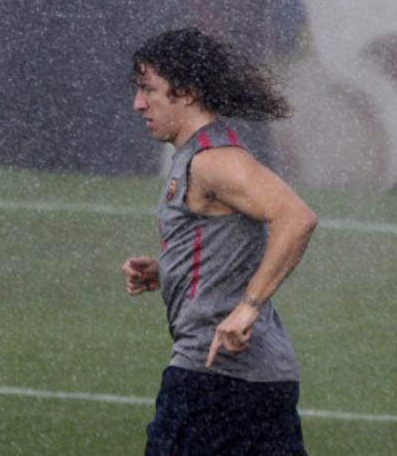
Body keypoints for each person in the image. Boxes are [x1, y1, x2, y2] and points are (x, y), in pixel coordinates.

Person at [122, 28, 318, 455]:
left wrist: (247, 307)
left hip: (214, 379)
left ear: (187, 91)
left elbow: (296, 217)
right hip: (258, 377)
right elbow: (226, 237)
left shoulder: (214, 161)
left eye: (148, 90)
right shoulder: (197, 156)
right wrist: (169, 269)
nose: (139, 104)